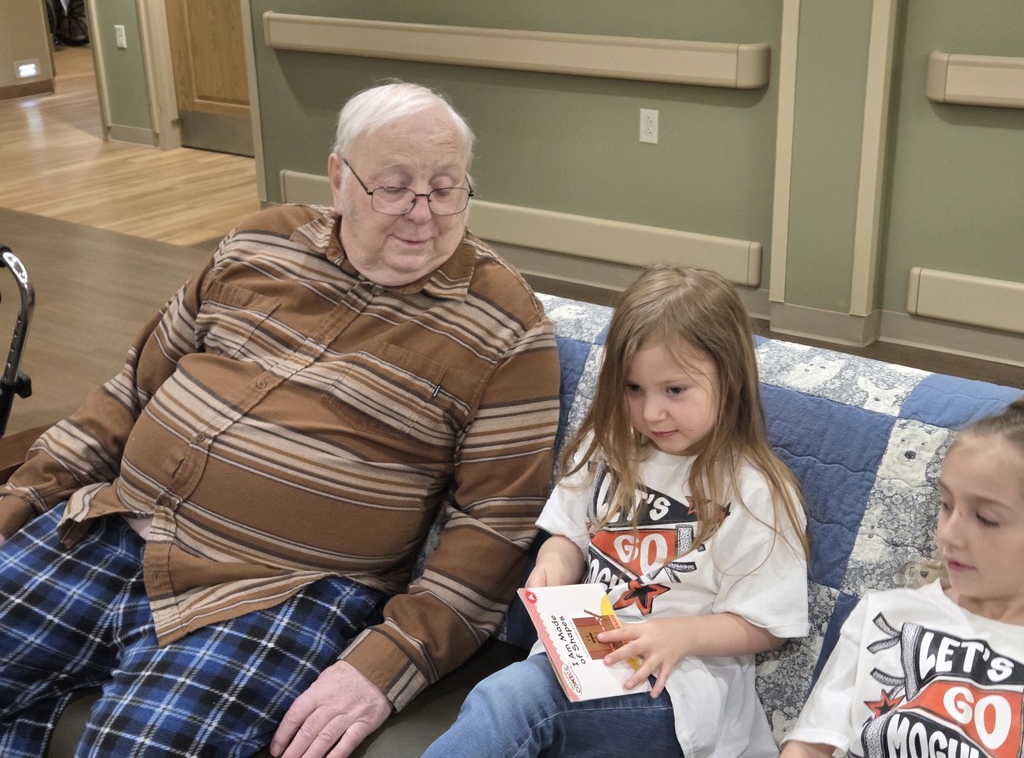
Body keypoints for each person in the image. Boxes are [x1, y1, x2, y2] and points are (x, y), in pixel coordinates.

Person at [0, 81, 561, 758]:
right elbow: (129, 391)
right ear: (339, 178)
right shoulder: (260, 242)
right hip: (107, 528)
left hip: (275, 592)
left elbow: (495, 527)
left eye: (446, 188)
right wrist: (18, 500)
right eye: (394, 188)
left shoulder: (506, 329)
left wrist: (388, 663)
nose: (424, 214)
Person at [422, 265, 810, 758]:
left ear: (730, 380)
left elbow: (768, 624)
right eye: (633, 389)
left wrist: (679, 634)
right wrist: (553, 566)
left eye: (675, 390)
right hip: (579, 664)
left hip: (677, 694)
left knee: (511, 701)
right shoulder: (608, 446)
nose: (651, 413)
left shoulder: (756, 492)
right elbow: (569, 536)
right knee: (517, 704)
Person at [780, 399, 1024, 758]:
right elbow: (810, 746)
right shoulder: (885, 616)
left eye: (986, 518)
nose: (949, 535)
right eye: (945, 504)